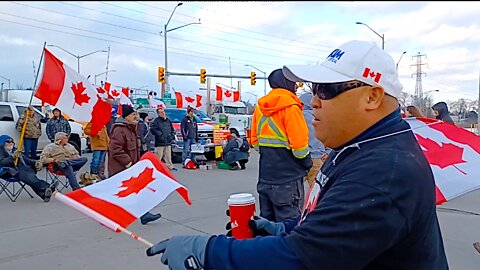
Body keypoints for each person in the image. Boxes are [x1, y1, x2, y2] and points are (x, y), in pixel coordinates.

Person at [146, 40, 448, 270]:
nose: (313, 101)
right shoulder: (363, 146)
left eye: (326, 90)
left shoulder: (383, 170)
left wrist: (209, 252)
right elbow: (331, 224)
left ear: (372, 96)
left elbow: (304, 259)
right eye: (314, 88)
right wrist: (285, 229)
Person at [250, 68, 312, 222]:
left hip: (265, 177)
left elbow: (254, 142)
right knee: (289, 227)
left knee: (268, 225)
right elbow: (299, 147)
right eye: (295, 83)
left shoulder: (260, 108)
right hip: (288, 179)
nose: (296, 87)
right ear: (288, 83)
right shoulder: (291, 108)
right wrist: (307, 163)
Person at [108, 105, 162, 225]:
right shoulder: (119, 130)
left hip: (131, 167)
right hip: (122, 168)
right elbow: (115, 149)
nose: (135, 117)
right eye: (133, 115)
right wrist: (127, 162)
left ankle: (144, 215)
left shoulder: (131, 128)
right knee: (123, 194)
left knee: (136, 191)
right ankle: (109, 215)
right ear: (126, 117)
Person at [0, 135, 56, 202]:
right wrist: (12, 157)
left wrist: (36, 162)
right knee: (27, 175)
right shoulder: (1, 151)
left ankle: (43, 193)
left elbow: (26, 160)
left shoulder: (15, 150)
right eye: (8, 141)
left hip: (21, 169)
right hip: (7, 171)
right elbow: (3, 163)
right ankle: (47, 187)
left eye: (12, 141)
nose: (11, 143)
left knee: (30, 174)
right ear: (2, 143)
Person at [299, 92, 329, 189]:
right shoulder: (321, 117)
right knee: (317, 190)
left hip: (301, 158)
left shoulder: (298, 116)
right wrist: (327, 151)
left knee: (296, 189)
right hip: (318, 157)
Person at [150, 106, 176, 171]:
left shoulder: (168, 121)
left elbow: (172, 129)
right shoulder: (156, 121)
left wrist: (171, 136)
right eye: (161, 112)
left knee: (168, 156)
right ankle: (156, 167)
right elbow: (153, 129)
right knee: (158, 156)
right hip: (160, 142)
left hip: (168, 141)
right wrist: (160, 135)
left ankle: (170, 166)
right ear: (158, 114)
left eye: (163, 112)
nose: (163, 113)